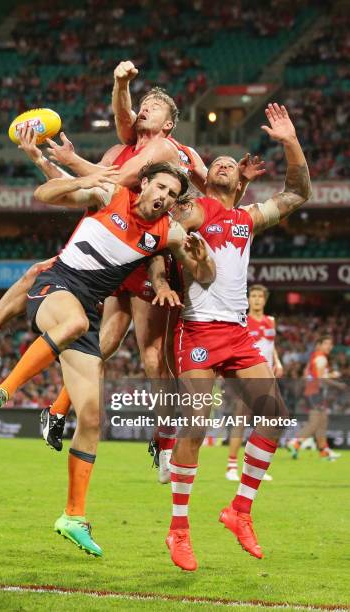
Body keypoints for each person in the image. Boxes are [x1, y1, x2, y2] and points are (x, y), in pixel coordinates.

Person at [0, 61, 264, 469]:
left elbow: (210, 191)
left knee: (153, 354)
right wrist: (46, 158)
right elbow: (91, 186)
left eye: (153, 106)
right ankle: (40, 395)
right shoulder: (120, 149)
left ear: (170, 123)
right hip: (113, 247)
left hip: (150, 249)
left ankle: (161, 442)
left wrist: (72, 159)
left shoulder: (166, 153)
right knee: (91, 330)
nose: (142, 109)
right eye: (139, 104)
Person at [0, 162, 216, 557]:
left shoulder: (168, 232)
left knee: (90, 418)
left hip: (87, 316)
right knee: (70, 320)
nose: (164, 198)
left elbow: (202, 273)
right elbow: (43, 195)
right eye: (160, 188)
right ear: (144, 184)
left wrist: (202, 258)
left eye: (172, 195)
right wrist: (83, 180)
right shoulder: (111, 194)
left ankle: (73, 516)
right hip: (55, 289)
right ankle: (4, 390)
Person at [148, 104, 311, 571]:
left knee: (275, 418)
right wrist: (160, 281)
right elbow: (162, 238)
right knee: (197, 426)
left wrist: (291, 141)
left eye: (227, 162)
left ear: (237, 177)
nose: (221, 163)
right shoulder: (197, 208)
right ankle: (178, 530)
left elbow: (298, 193)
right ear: (207, 177)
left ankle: (239, 511)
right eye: (214, 162)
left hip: (237, 333)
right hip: (197, 329)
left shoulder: (244, 219)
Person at [225, 284, 283, 482]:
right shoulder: (243, 321)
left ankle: (256, 467)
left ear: (265, 300)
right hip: (249, 374)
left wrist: (278, 361)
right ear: (248, 299)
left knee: (266, 421)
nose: (257, 299)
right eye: (254, 296)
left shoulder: (271, 321)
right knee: (241, 418)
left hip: (267, 374)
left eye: (260, 296)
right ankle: (231, 465)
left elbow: (271, 344)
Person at [287, 335, 343, 461]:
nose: (330, 346)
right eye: (327, 344)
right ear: (320, 345)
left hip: (314, 392)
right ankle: (295, 442)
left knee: (323, 421)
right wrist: (336, 380)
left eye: (331, 344)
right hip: (315, 393)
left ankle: (324, 451)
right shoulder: (321, 358)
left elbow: (307, 372)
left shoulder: (314, 356)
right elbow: (321, 378)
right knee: (315, 422)